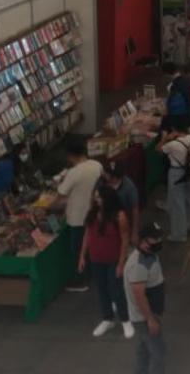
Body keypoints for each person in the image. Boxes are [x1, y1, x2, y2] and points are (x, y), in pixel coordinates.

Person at [78, 184, 131, 338]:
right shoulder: (93, 214)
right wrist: (82, 256)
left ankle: (125, 319)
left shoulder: (119, 217)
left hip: (113, 259)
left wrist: (121, 263)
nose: (96, 199)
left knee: (116, 289)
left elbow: (125, 240)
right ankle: (107, 318)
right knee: (101, 290)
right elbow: (87, 235)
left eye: (99, 196)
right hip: (96, 259)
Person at [53, 135, 104, 293]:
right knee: (92, 245)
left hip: (77, 217)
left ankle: (81, 280)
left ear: (70, 155)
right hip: (94, 213)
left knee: (78, 251)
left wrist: (48, 207)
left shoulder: (74, 173)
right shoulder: (97, 165)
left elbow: (60, 195)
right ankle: (94, 275)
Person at [124, 222, 167, 374]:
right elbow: (139, 295)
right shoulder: (139, 265)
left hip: (147, 314)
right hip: (143, 318)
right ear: (143, 241)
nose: (158, 242)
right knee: (158, 354)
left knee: (143, 351)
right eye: (154, 239)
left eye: (159, 238)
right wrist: (150, 319)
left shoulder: (148, 255)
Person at [158, 119, 190, 244]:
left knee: (177, 203)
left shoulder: (174, 144)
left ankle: (179, 233)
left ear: (175, 130)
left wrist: (166, 138)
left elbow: (158, 150)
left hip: (176, 172)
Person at [102, 161, 141, 245]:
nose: (104, 175)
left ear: (115, 178)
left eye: (107, 174)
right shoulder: (102, 181)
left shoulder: (129, 188)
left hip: (122, 223)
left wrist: (134, 233)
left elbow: (135, 209)